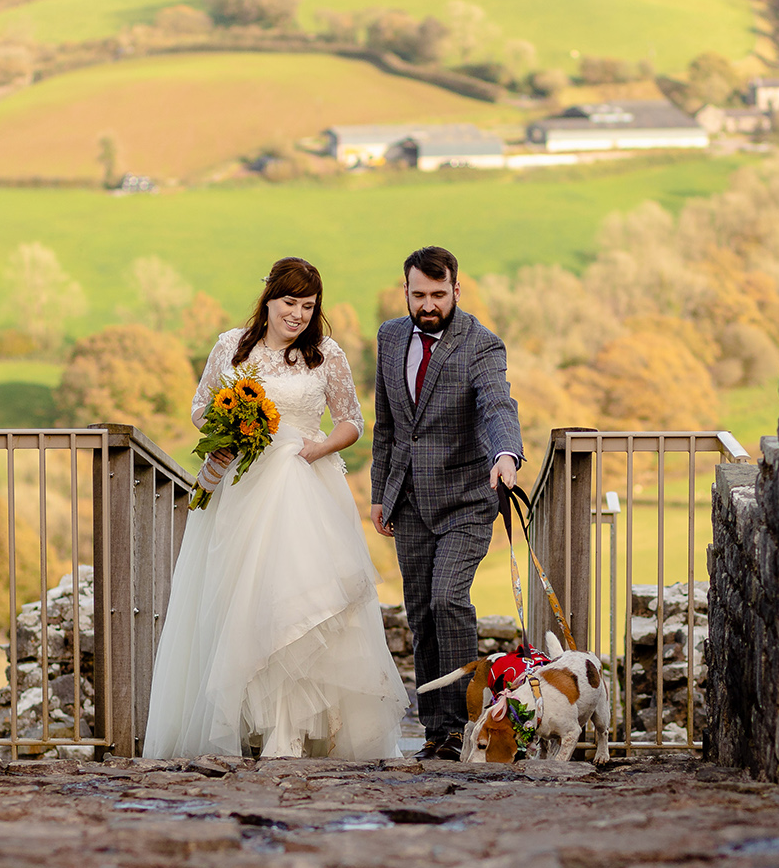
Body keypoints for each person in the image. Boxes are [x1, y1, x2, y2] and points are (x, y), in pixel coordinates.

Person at [143, 257, 407, 759]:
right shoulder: (230, 346)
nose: (298, 315)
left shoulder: (324, 354)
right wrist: (228, 426)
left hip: (305, 485)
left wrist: (318, 448)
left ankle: (291, 733)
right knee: (246, 604)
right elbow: (201, 407)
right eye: (290, 303)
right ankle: (257, 728)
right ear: (268, 299)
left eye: (308, 307)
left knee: (301, 601)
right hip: (244, 492)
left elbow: (351, 421)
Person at [369, 246, 524, 761]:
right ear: (406, 291)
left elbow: (496, 403)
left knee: (448, 601)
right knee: (420, 614)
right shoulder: (390, 337)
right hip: (408, 499)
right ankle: (435, 730)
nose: (429, 304)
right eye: (419, 295)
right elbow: (386, 426)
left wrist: (505, 454)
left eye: (439, 294)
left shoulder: (482, 345)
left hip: (466, 500)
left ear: (457, 290)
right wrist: (379, 495)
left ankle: (464, 724)